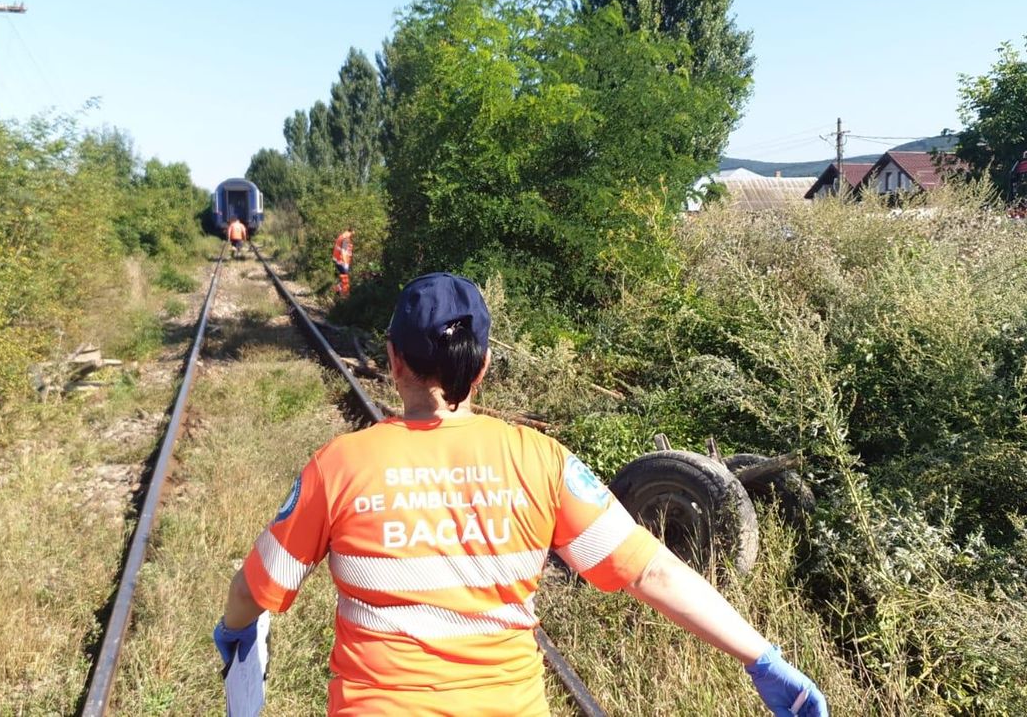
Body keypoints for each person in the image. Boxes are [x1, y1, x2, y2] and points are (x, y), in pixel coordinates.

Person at [214, 273, 828, 716]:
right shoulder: (541, 461)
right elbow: (655, 573)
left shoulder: (339, 465)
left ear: (394, 360)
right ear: (480, 367)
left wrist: (236, 632)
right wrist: (763, 660)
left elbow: (255, 589)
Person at [332, 227, 353, 296]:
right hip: (341, 261)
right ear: (352, 231)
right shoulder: (346, 238)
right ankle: (342, 293)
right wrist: (345, 263)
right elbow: (344, 251)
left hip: (339, 260)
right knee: (345, 279)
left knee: (344, 278)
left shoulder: (343, 236)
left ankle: (338, 290)